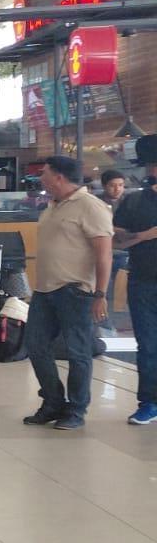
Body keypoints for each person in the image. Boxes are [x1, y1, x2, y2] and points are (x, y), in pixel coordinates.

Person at [25, 155, 114, 430]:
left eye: (45, 173)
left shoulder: (91, 206)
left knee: (78, 352)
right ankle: (52, 401)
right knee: (36, 346)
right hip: (44, 290)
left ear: (59, 177)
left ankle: (76, 410)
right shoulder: (52, 205)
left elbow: (104, 254)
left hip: (75, 291)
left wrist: (100, 294)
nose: (41, 178)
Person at [113, 135, 157, 425]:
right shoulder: (134, 200)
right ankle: (149, 402)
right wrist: (145, 235)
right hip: (143, 280)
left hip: (142, 280)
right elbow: (117, 240)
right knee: (149, 344)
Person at [101, 169, 130, 336]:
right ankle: (106, 327)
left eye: (120, 185)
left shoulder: (130, 202)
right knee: (104, 291)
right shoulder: (97, 203)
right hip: (105, 251)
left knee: (122, 292)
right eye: (112, 185)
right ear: (105, 186)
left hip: (126, 250)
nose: (117, 189)